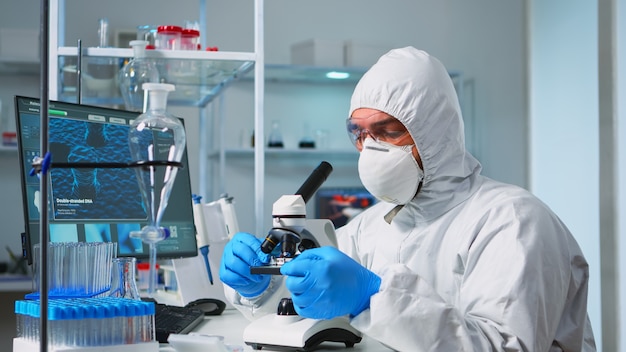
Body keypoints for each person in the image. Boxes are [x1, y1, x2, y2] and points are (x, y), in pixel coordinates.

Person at [219, 46, 596, 351]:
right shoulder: (370, 226)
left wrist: (375, 298)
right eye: (361, 133)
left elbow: (503, 346)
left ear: (435, 134)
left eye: (388, 132)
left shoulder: (512, 222)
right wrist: (261, 286)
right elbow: (311, 310)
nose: (370, 149)